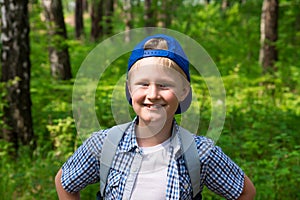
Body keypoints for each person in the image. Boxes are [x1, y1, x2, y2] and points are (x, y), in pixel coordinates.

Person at [55, 34, 256, 199]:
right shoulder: (104, 144)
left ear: (184, 91)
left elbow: (245, 192)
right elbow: (64, 183)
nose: (152, 94)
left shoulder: (200, 153)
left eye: (164, 85)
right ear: (129, 89)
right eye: (143, 84)